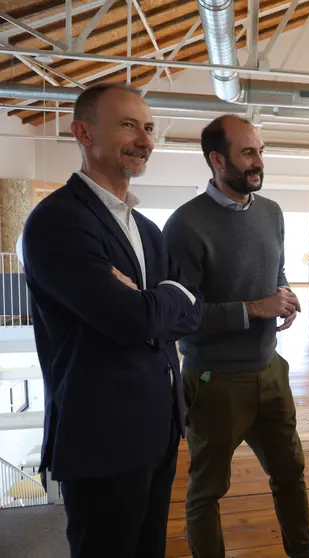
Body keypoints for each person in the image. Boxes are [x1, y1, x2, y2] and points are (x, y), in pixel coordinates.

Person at [21, 83, 202, 558]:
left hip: (159, 427)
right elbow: (132, 320)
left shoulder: (145, 227)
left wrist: (156, 299)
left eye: (148, 127)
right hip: (102, 435)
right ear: (83, 132)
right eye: (128, 125)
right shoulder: (58, 221)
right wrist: (161, 299)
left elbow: (193, 307)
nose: (144, 139)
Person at [163, 116, 309, 558]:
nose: (259, 162)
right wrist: (254, 309)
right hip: (215, 381)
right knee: (207, 491)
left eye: (261, 151)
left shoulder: (271, 212)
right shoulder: (185, 226)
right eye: (248, 153)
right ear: (217, 159)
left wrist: (283, 294)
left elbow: (277, 267)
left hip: (271, 371)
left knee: (291, 474)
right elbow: (181, 317)